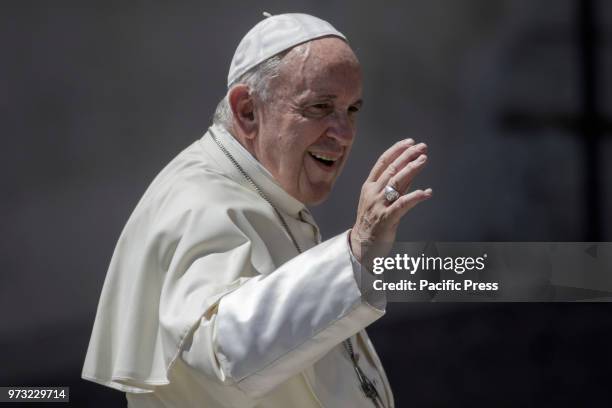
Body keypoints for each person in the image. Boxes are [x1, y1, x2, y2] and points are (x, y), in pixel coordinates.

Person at [82, 12, 431, 408]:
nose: (345, 132)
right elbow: (222, 351)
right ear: (248, 110)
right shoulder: (198, 201)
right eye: (320, 107)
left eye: (352, 110)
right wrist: (357, 250)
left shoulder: (261, 185)